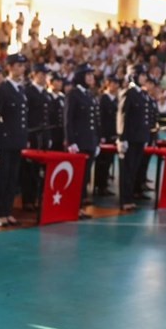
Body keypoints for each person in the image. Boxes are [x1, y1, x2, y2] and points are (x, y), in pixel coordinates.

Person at [0, 53, 29, 227]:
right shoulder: (3, 88)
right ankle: (0, 213)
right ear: (11, 67)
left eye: (23, 66)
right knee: (2, 178)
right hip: (4, 141)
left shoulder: (20, 89)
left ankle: (8, 211)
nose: (22, 68)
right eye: (19, 65)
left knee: (13, 178)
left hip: (16, 141)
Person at [64, 64, 99, 218]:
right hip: (78, 143)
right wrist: (71, 141)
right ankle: (72, 207)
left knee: (84, 178)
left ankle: (79, 207)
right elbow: (68, 120)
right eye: (88, 74)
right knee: (76, 177)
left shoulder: (89, 95)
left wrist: (96, 141)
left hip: (89, 142)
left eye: (92, 74)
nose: (91, 77)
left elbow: (94, 121)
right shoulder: (73, 94)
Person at [117, 71, 150, 212]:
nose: (144, 77)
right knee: (127, 171)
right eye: (142, 75)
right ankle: (125, 200)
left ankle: (130, 197)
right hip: (129, 138)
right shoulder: (129, 93)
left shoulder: (142, 94)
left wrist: (145, 137)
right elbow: (122, 116)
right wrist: (121, 138)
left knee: (134, 170)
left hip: (139, 139)